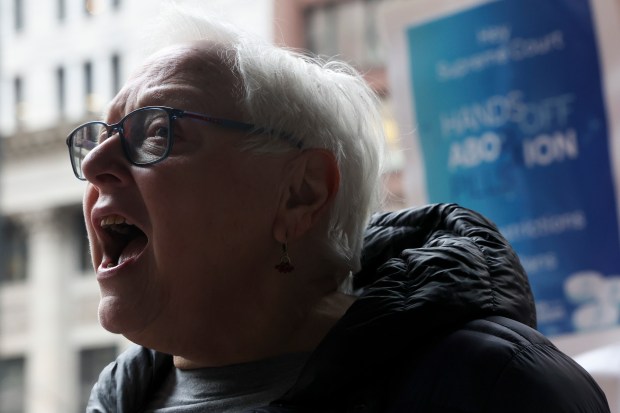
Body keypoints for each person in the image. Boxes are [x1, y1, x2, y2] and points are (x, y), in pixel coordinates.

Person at [65, 5, 610, 413]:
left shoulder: (494, 388)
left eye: (157, 133)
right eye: (98, 139)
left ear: (300, 193)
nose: (94, 167)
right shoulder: (116, 400)